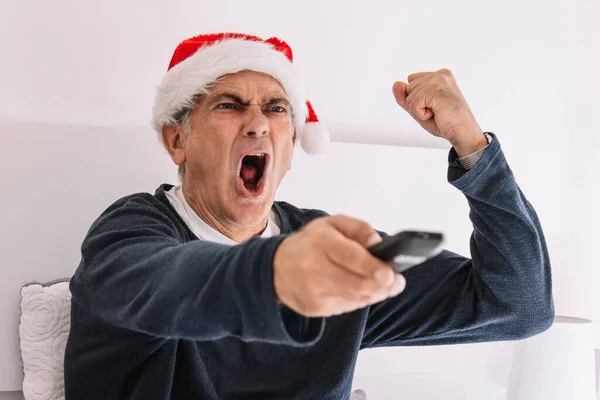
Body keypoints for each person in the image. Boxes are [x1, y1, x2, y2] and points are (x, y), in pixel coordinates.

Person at [64, 32, 554, 400]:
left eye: (277, 109)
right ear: (177, 141)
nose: (258, 123)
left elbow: (519, 305)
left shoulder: (330, 253)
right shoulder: (129, 231)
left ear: (292, 144)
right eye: (229, 105)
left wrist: (472, 145)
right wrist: (278, 275)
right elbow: (158, 286)